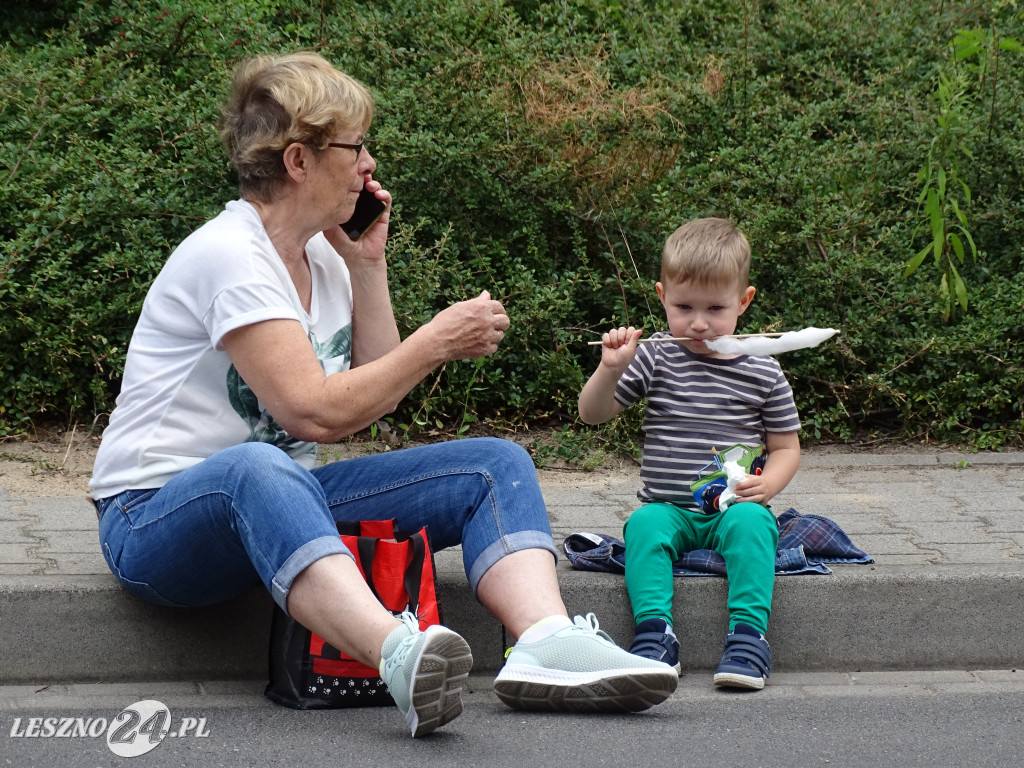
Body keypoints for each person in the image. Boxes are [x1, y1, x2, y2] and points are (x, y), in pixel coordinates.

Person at [88, 51, 678, 737]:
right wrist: (436, 341)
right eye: (356, 145)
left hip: (282, 501)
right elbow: (314, 410)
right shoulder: (230, 256)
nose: (369, 164)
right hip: (153, 518)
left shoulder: (324, 257)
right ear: (299, 160)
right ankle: (398, 652)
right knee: (258, 468)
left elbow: (377, 390)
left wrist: (368, 267)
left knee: (493, 464)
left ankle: (544, 644)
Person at [577, 217, 801, 690]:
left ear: (744, 301)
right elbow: (592, 414)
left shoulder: (763, 369)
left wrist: (772, 484)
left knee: (754, 526)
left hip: (732, 506)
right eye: (683, 307)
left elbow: (786, 447)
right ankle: (655, 636)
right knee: (643, 526)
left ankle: (748, 637)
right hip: (668, 507)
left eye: (716, 308)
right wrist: (609, 370)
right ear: (662, 296)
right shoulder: (654, 356)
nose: (698, 323)